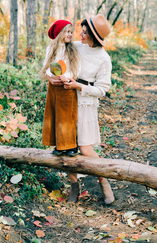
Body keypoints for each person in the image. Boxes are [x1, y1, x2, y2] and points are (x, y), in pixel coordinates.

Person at [47, 13, 115, 205]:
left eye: (84, 32)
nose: (80, 34)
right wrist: (49, 76)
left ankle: (104, 181)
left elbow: (102, 89)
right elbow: (54, 56)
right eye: (81, 31)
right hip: (66, 100)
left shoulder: (103, 59)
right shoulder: (75, 46)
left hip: (85, 103)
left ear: (94, 36)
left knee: (85, 148)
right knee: (67, 145)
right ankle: (74, 186)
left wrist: (78, 87)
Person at [41, 20, 80, 157]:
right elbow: (47, 67)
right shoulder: (51, 48)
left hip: (67, 86)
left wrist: (68, 77)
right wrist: (50, 77)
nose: (70, 34)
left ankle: (71, 146)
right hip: (54, 87)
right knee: (55, 115)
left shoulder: (72, 49)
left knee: (68, 117)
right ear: (59, 33)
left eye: (71, 32)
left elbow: (76, 68)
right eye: (67, 32)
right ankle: (59, 145)